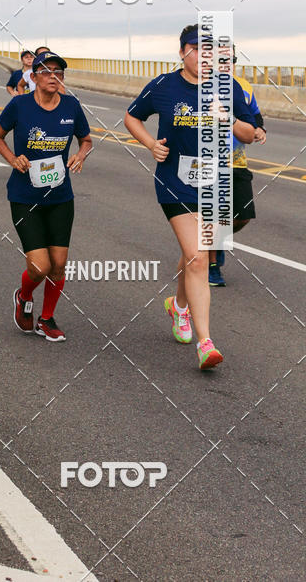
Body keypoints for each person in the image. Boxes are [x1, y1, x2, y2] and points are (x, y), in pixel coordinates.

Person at [124, 24, 256, 370]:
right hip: (174, 183)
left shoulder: (227, 87)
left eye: (209, 51)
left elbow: (250, 132)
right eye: (196, 49)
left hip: (213, 184)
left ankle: (178, 306)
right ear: (182, 51)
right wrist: (150, 144)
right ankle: (206, 343)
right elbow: (131, 117)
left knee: (193, 255)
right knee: (198, 258)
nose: (203, 56)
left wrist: (225, 118)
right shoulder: (163, 86)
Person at [0, 52, 92, 342]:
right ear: (33, 77)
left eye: (58, 71)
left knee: (59, 264)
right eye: (45, 71)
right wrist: (12, 158)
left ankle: (46, 319)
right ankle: (23, 297)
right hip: (25, 196)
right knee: (40, 266)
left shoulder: (71, 106)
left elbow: (86, 140)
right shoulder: (19, 105)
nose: (52, 76)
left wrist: (81, 155)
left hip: (60, 195)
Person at [209, 44, 267, 286]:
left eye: (230, 58)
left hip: (237, 161)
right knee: (211, 216)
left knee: (242, 217)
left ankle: (216, 241)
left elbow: (254, 115)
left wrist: (261, 128)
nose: (226, 63)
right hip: (207, 162)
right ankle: (212, 267)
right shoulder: (201, 86)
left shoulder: (242, 86)